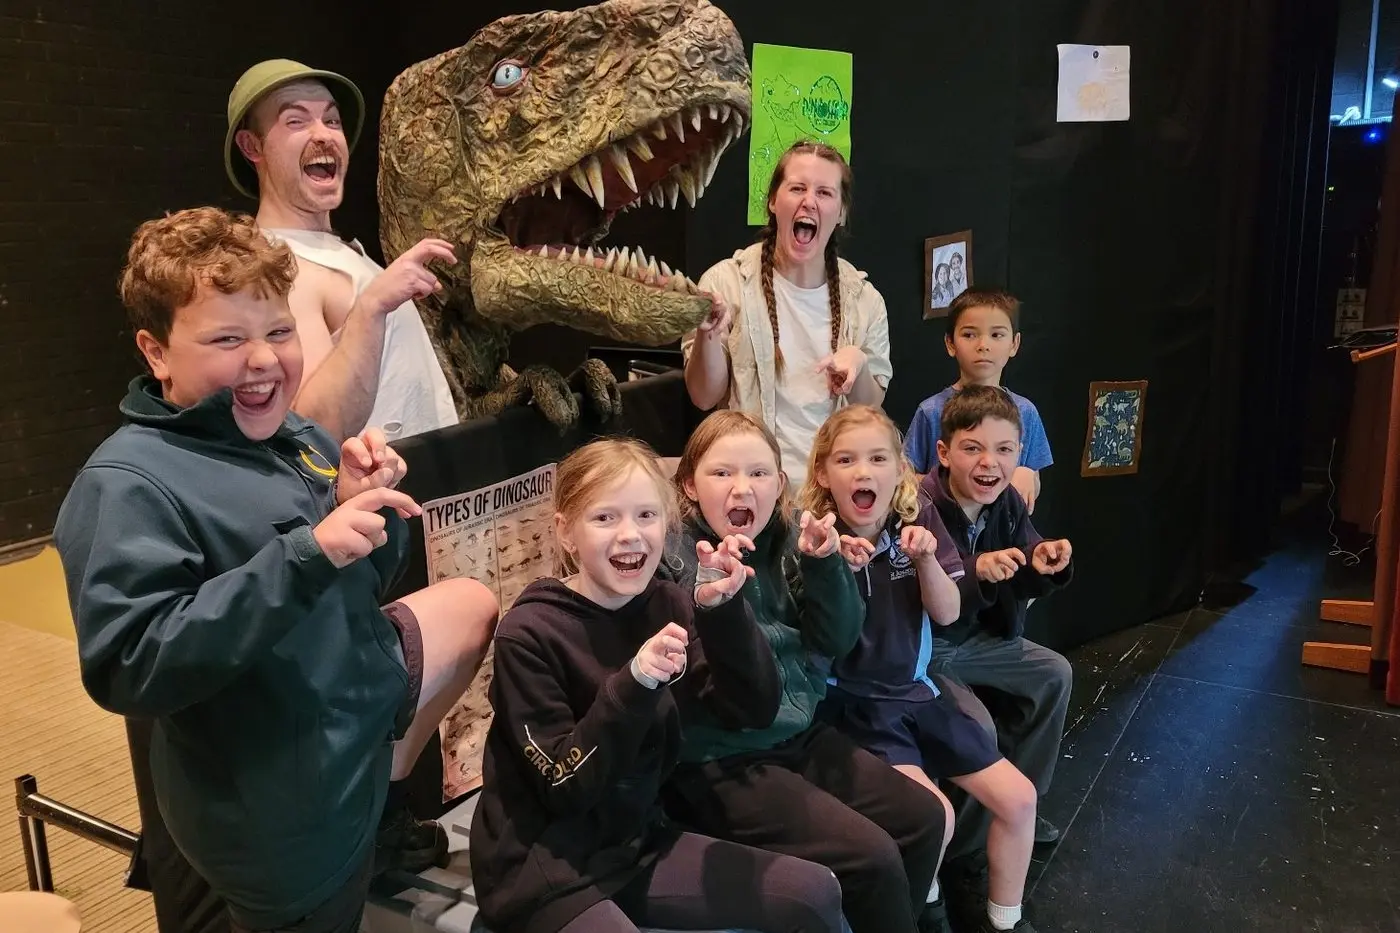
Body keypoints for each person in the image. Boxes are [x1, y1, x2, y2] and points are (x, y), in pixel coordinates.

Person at [53, 208, 499, 933]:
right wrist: (306, 553)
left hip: (340, 758)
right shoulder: (125, 485)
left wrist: (362, 516)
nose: (264, 359)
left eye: (279, 331)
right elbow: (130, 665)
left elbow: (350, 588)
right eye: (227, 338)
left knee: (470, 603)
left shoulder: (286, 435)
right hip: (284, 829)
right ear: (156, 351)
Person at [468, 438, 844, 933]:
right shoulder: (530, 633)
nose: (630, 536)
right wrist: (635, 683)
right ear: (565, 532)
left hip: (637, 843)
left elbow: (753, 709)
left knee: (815, 894)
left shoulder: (669, 602)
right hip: (544, 866)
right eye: (604, 519)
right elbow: (564, 787)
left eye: (646, 516)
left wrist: (723, 613)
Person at [658, 410, 947, 933]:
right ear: (689, 486)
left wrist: (826, 565)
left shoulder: (791, 538)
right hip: (718, 758)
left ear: (780, 484)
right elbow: (726, 694)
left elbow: (837, 638)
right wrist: (719, 596)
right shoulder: (676, 558)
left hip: (797, 734)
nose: (742, 487)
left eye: (759, 473)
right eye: (721, 473)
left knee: (923, 818)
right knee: (872, 855)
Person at [802, 405, 1042, 933]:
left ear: (900, 470)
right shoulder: (816, 537)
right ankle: (926, 912)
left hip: (919, 692)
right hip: (855, 705)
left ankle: (1005, 921)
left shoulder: (918, 520)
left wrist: (929, 560)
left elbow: (949, 612)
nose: (864, 472)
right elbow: (825, 638)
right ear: (823, 473)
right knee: (938, 814)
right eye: (846, 459)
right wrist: (831, 568)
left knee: (1020, 799)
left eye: (878, 458)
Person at [226, 59, 458, 442]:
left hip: (420, 491)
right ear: (252, 146)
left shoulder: (335, 249)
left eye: (332, 121)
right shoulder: (277, 265)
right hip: (376, 495)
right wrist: (371, 306)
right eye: (296, 121)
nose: (325, 135)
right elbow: (313, 429)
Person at [920, 385, 1074, 929]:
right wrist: (977, 567)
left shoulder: (1006, 501)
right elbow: (940, 590)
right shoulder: (921, 504)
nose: (990, 463)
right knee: (976, 724)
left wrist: (1045, 560)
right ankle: (964, 846)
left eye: (1005, 450)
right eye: (973, 448)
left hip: (985, 642)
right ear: (944, 453)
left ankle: (1018, 809)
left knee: (1054, 672)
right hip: (933, 649)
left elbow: (1028, 553)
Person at [682, 140, 893, 489]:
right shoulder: (725, 284)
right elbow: (704, 397)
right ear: (773, 201)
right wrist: (708, 333)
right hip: (751, 492)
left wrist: (859, 363)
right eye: (797, 188)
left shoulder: (864, 299)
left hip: (832, 496)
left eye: (825, 192)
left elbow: (871, 407)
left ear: (840, 212)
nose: (809, 201)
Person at [904, 289, 1051, 513]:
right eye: (970, 335)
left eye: (996, 335)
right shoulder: (931, 411)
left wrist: (1026, 475)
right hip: (941, 535)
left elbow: (1032, 484)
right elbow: (905, 479)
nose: (983, 345)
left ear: (1014, 343)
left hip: (1004, 537)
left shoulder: (1025, 412)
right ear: (950, 343)